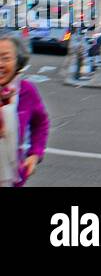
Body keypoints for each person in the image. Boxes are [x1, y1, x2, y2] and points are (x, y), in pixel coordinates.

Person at [0, 33, 49, 187]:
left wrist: (34, 154)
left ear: (18, 63)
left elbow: (41, 123)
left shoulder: (27, 92)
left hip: (12, 179)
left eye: (6, 58)